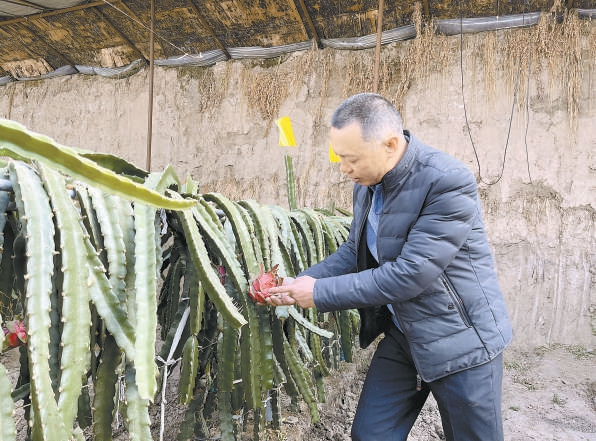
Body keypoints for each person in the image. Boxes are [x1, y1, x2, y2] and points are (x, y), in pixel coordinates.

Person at [266, 92, 513, 441]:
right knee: (370, 434)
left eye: (352, 159)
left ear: (390, 144)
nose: (344, 169)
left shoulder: (447, 181)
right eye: (340, 158)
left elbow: (411, 274)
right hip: (404, 334)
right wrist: (302, 282)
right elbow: (355, 251)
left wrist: (319, 293)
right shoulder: (367, 185)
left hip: (461, 342)